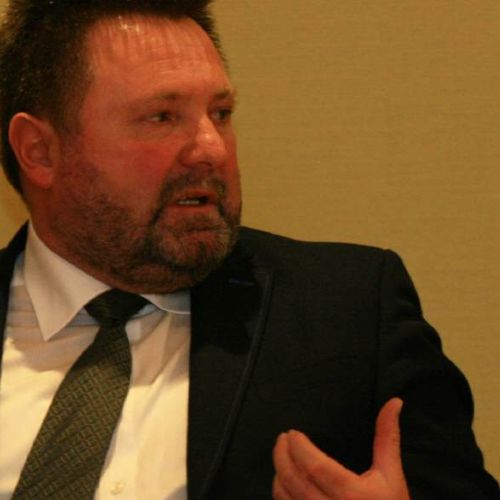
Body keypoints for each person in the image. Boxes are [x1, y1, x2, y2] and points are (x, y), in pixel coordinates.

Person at [0, 0, 498, 499]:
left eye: (220, 113)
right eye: (162, 117)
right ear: (39, 151)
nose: (212, 148)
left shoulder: (349, 312)